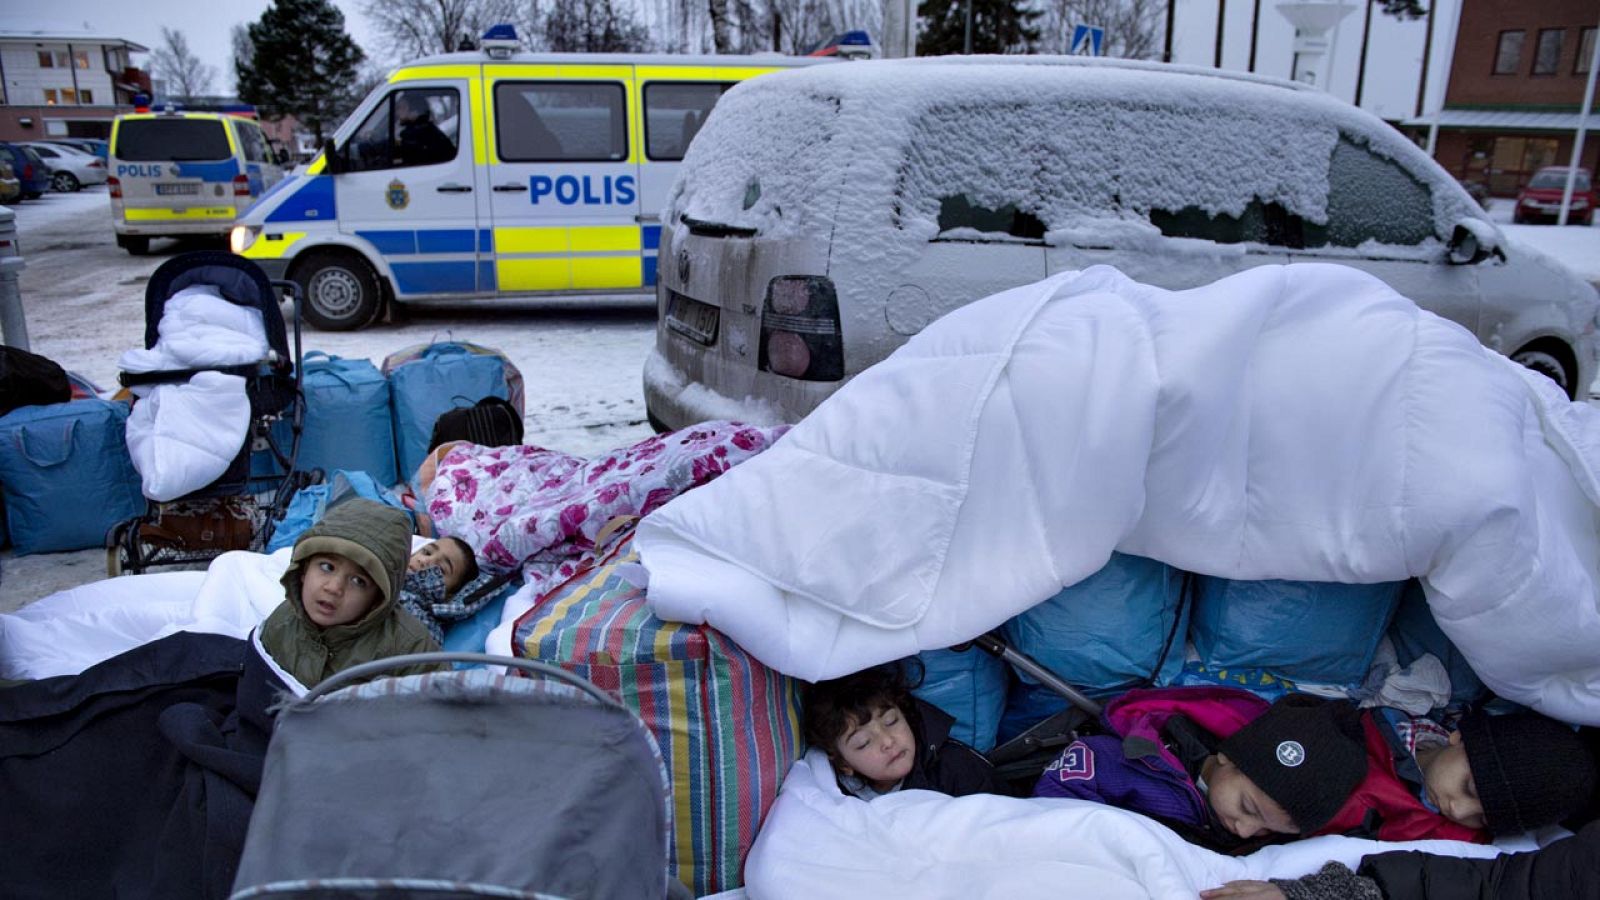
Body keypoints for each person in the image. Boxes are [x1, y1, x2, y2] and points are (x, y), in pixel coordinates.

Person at [1033, 690, 1369, 853]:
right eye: (1247, 808)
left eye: (1266, 830)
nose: (1245, 831)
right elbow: (1052, 800)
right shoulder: (1127, 760)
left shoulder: (1256, 840)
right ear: (1229, 757)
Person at [257, 497, 444, 688]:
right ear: (304, 570)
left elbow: (442, 708)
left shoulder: (410, 652)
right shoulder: (282, 622)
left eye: (358, 581)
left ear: (377, 598)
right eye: (327, 567)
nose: (334, 588)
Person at [804, 663, 1005, 799]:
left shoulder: (956, 767)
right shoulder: (837, 795)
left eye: (891, 721)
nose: (888, 741)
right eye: (864, 742)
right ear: (844, 764)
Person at [397, 535, 485, 646]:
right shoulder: (384, 566)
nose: (424, 560)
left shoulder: (426, 631)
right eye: (427, 552)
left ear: (449, 595)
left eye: (440, 569)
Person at [395, 93, 456, 166]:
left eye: (400, 107)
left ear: (414, 111)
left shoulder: (415, 136)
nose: (397, 113)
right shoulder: (429, 130)